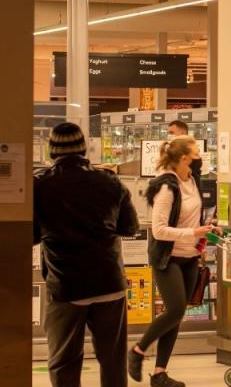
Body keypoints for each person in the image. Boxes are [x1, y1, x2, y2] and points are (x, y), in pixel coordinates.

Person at [34, 122, 140, 387]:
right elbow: (130, 227)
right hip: (109, 282)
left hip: (66, 284)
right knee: (112, 360)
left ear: (52, 151)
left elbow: (32, 235)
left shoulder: (41, 185)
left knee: (65, 361)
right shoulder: (110, 181)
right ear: (84, 149)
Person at [129, 136, 216, 387]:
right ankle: (137, 350)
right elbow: (159, 230)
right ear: (185, 158)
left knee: (176, 315)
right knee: (175, 309)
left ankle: (159, 374)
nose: (201, 156)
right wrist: (194, 233)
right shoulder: (167, 187)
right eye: (197, 151)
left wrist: (207, 228)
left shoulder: (192, 180)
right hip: (168, 258)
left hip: (190, 257)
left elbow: (189, 220)